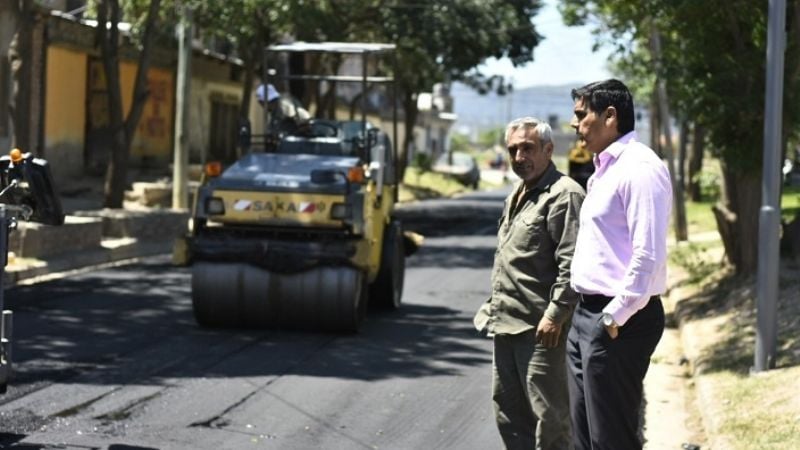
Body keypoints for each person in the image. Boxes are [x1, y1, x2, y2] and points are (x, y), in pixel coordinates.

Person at [566, 79, 673, 450]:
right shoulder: (605, 168)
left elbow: (648, 253)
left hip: (619, 319)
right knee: (584, 438)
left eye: (582, 115)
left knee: (611, 440)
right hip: (588, 315)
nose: (574, 124)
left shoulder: (640, 168)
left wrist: (615, 316)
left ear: (609, 116)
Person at [473, 117, 585, 450]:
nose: (519, 157)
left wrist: (555, 314)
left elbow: (573, 263)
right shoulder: (517, 193)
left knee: (549, 421)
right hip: (505, 324)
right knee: (509, 416)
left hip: (542, 331)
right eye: (513, 150)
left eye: (528, 148)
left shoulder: (564, 195)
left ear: (548, 150)